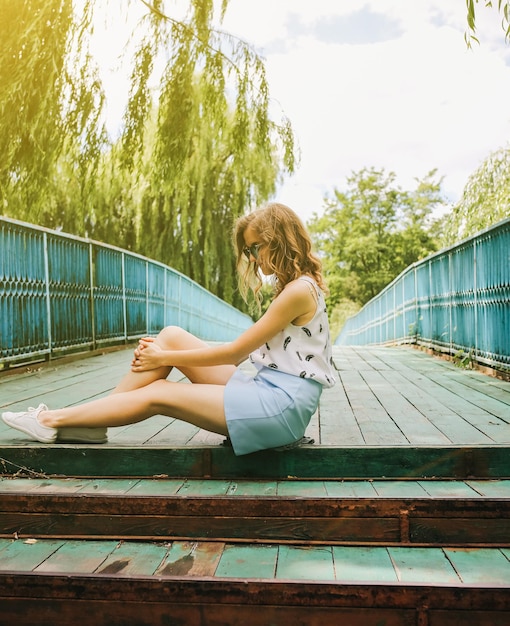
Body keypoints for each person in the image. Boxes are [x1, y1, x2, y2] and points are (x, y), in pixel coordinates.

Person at [2, 203, 336, 455]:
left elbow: (235, 353)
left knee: (159, 392)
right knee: (172, 333)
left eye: (254, 248)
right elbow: (239, 358)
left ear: (276, 241)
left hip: (279, 409)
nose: (251, 258)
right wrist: (167, 352)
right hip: (268, 390)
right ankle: (92, 422)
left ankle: (53, 420)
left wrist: (164, 357)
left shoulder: (296, 292)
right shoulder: (297, 287)